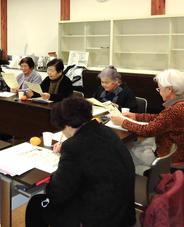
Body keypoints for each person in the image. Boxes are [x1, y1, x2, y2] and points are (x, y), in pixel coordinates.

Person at [26, 97, 136, 227]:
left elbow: (57, 195)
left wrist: (51, 181)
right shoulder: (107, 131)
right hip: (123, 211)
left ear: (67, 125)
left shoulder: (74, 146)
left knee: (36, 204)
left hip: (99, 217)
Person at [111, 69, 184, 170]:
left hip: (171, 159)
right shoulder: (179, 105)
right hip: (175, 153)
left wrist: (123, 122)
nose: (159, 92)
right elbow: (160, 118)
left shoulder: (174, 110)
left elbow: (148, 130)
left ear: (169, 89)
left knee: (127, 154)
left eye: (160, 89)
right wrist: (135, 116)